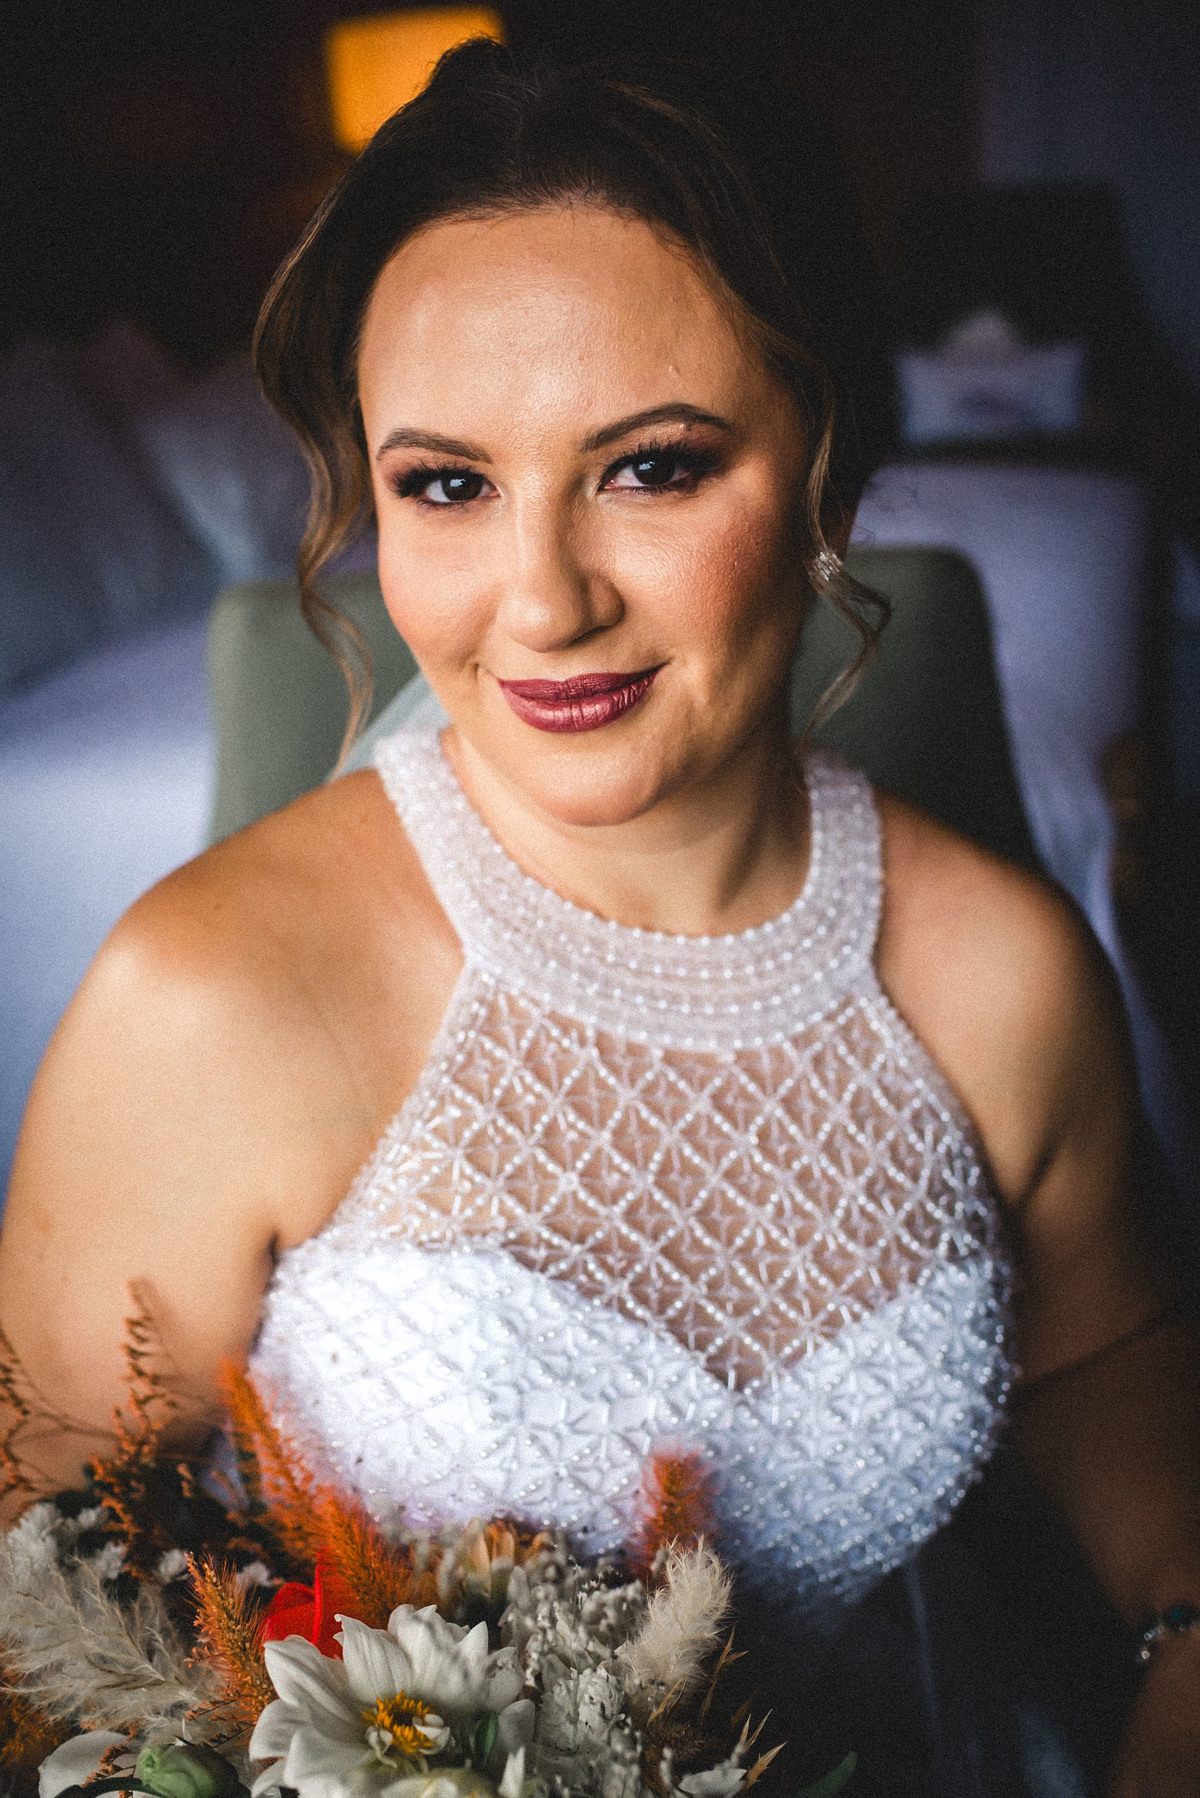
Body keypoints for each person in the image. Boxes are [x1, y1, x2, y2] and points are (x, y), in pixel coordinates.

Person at [2, 39, 1198, 1796]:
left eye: (649, 467)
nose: (543, 601)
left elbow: (1107, 1344)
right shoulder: (213, 992)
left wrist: (1185, 1624)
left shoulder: (1004, 971)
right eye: (446, 483)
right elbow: (36, 1557)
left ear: (829, 467)